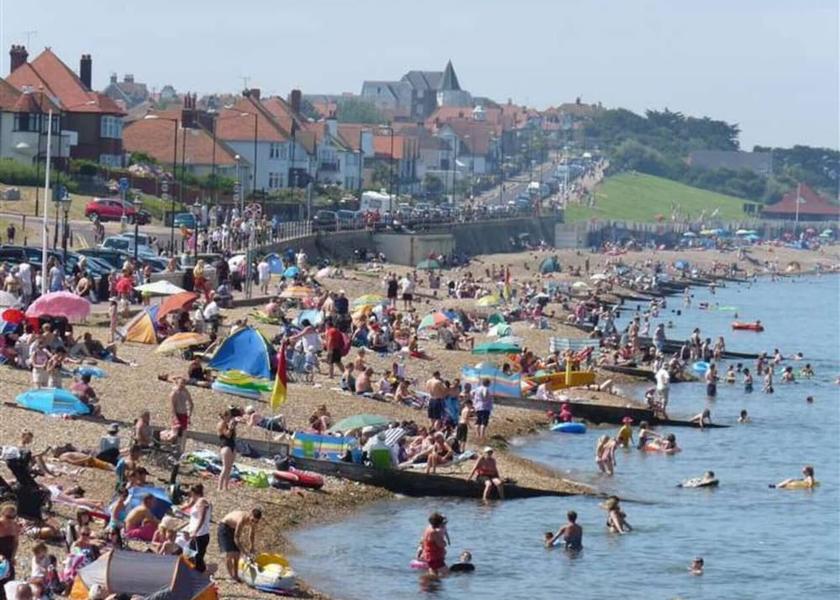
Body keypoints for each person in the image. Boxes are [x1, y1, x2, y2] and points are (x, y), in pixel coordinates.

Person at [218, 508, 262, 583]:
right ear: (250, 514)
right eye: (252, 520)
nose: (253, 522)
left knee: (237, 555)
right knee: (230, 554)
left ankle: (236, 576)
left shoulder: (254, 522)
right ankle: (231, 577)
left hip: (233, 529)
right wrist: (245, 552)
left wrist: (252, 546)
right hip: (225, 527)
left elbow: (251, 534)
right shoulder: (242, 519)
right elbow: (236, 538)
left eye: (256, 521)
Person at [180, 484, 211, 572]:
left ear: (193, 492)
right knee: (189, 555)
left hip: (200, 534)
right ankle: (189, 573)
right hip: (194, 534)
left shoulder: (202, 502)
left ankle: (201, 574)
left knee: (197, 558)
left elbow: (202, 518)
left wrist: (195, 531)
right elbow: (188, 505)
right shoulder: (196, 501)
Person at [0, 503, 19, 594]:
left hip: (7, 557)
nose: (10, 520)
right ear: (2, 514)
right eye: (8, 517)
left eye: (13, 517)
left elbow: (16, 542)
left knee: (8, 584)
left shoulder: (15, 526)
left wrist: (13, 556)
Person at [217, 409, 238, 491]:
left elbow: (233, 436)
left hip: (232, 445)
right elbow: (227, 435)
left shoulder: (229, 424)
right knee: (225, 467)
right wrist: (230, 428)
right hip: (225, 446)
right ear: (225, 416)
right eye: (229, 416)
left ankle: (226, 486)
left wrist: (233, 427)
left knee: (229, 468)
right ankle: (219, 487)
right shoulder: (221, 424)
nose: (230, 417)